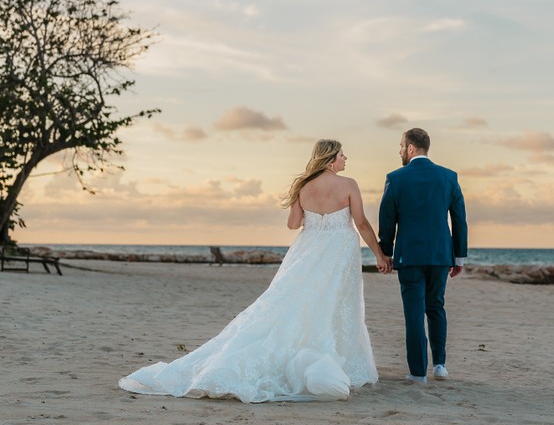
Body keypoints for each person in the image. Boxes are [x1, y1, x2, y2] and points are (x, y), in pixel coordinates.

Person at [119, 139, 390, 403]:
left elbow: (293, 225)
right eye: (342, 154)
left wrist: (312, 212)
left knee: (294, 303)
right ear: (330, 158)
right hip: (338, 253)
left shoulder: (304, 187)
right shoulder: (349, 185)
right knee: (336, 303)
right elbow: (363, 223)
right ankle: (335, 358)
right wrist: (378, 254)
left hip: (307, 252)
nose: (345, 159)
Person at [378, 127, 467, 385]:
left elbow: (387, 220)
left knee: (414, 313)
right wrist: (458, 257)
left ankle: (418, 373)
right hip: (441, 254)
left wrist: (386, 252)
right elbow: (459, 219)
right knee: (436, 306)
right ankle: (440, 365)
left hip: (410, 256)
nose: (399, 151)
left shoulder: (396, 178)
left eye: (400, 146)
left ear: (411, 148)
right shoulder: (449, 177)